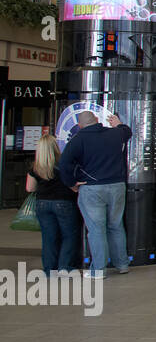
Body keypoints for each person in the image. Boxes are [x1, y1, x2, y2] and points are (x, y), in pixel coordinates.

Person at [58, 111, 133, 278]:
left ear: (79, 125)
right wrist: (118, 124)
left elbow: (64, 163)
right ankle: (122, 264)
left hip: (92, 189)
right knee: (116, 225)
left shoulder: (78, 139)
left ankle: (98, 270)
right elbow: (127, 131)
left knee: (96, 229)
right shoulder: (115, 134)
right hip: (117, 186)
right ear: (98, 120)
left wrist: (71, 183)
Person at [26, 134, 80, 277]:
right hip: (64, 203)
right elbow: (72, 185)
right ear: (55, 147)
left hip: (42, 204)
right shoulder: (64, 163)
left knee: (49, 237)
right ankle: (65, 267)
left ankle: (49, 270)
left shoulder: (35, 167)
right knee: (69, 235)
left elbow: (29, 188)